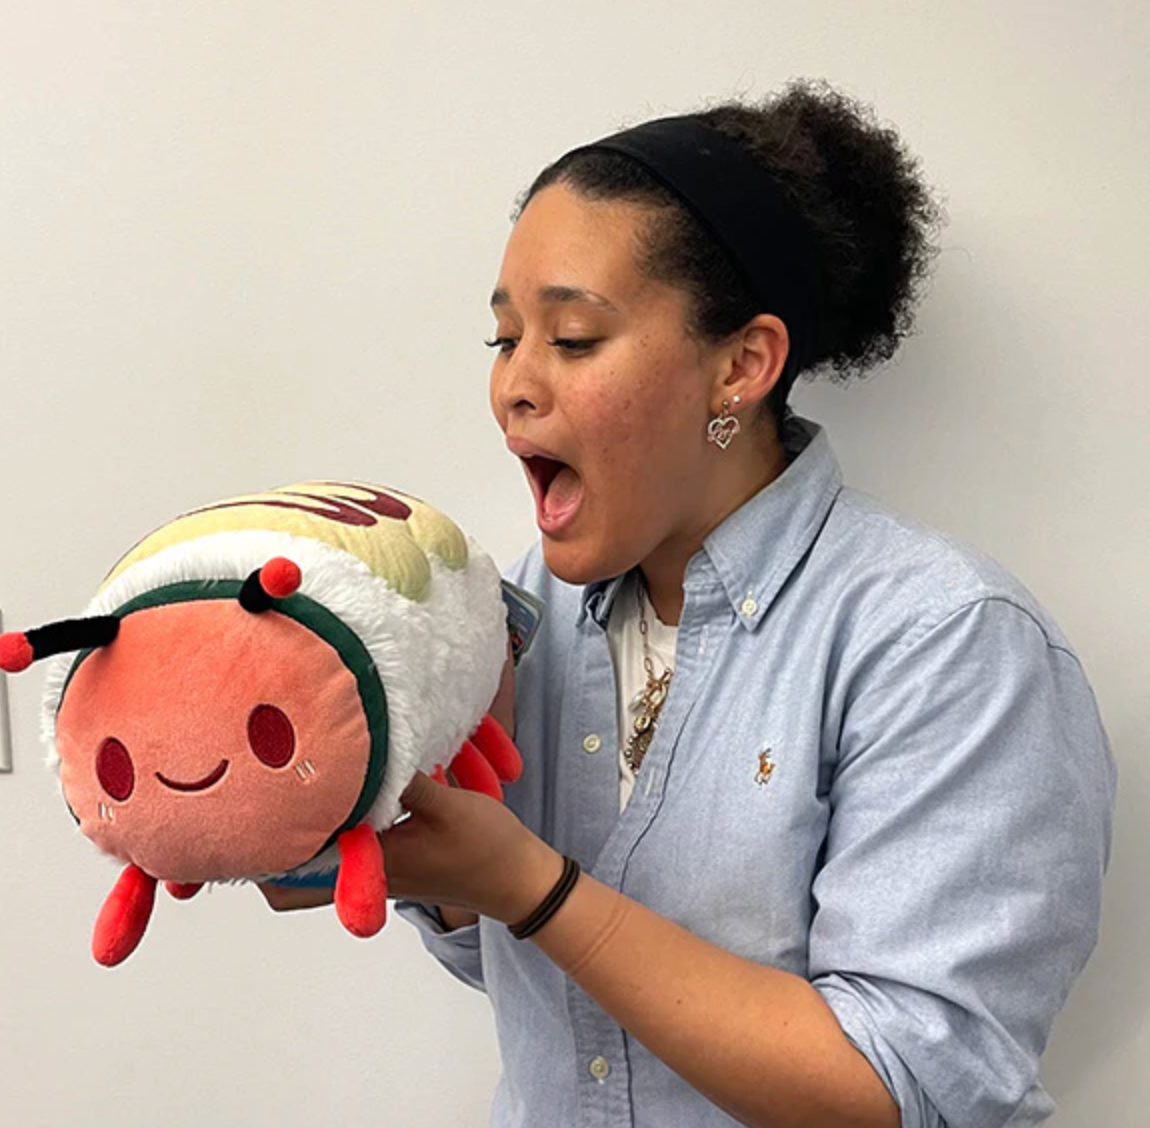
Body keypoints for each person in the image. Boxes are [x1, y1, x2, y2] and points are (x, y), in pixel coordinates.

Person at [263, 81, 1115, 1128]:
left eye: (573, 337)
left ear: (741, 367)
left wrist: (527, 884)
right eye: (504, 340)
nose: (514, 385)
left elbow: (903, 1088)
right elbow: (537, 988)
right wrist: (383, 843)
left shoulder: (947, 640)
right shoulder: (519, 612)